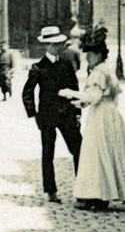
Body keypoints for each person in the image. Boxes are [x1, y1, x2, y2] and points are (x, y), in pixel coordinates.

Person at [64, 27, 125, 210]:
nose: (88, 58)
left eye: (91, 54)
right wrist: (83, 104)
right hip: (108, 112)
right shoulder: (106, 70)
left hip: (101, 115)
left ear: (99, 54)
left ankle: (99, 196)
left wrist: (71, 94)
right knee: (106, 152)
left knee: (98, 152)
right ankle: (97, 194)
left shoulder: (99, 72)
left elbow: (92, 96)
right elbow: (110, 96)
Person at [21, 25, 82, 204]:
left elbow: (75, 88)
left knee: (79, 149)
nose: (57, 47)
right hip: (47, 117)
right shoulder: (38, 67)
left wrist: (77, 112)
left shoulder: (66, 64)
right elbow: (27, 92)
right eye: (53, 44)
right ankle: (51, 191)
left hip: (67, 114)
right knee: (48, 153)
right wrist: (34, 115)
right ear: (46, 45)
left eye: (59, 44)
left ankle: (82, 189)